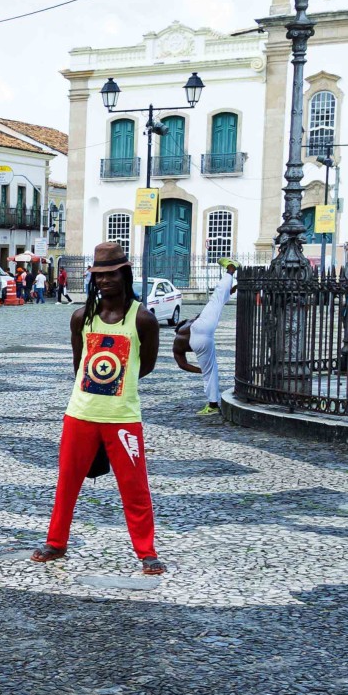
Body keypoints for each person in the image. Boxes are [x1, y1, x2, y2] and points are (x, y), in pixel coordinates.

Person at [32, 241, 166, 575]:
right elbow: (79, 363)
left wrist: (120, 383)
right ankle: (56, 542)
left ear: (125, 275)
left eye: (111, 274)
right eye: (98, 275)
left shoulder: (142, 319)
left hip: (123, 417)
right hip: (80, 414)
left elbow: (145, 365)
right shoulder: (82, 317)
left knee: (135, 487)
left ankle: (147, 552)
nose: (104, 280)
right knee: (67, 483)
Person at [174, 259, 237, 415]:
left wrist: (201, 370)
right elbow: (216, 305)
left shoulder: (178, 341)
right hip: (202, 332)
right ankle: (230, 271)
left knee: (210, 372)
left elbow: (182, 364)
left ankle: (213, 405)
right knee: (216, 300)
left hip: (201, 339)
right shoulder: (189, 323)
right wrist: (228, 291)